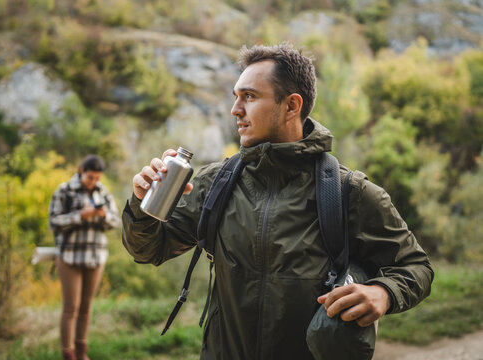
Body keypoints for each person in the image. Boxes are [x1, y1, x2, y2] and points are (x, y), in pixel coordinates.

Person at [121, 43, 434, 359]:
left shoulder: (347, 191)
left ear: (291, 105)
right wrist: (141, 205)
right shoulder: (215, 183)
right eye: (236, 96)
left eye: (250, 96)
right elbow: (148, 248)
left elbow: (415, 267)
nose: (236, 109)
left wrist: (383, 293)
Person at [49, 155, 121, 360]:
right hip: (69, 256)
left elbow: (115, 222)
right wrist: (80, 215)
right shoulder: (64, 191)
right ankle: (68, 353)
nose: (94, 182)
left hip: (95, 256)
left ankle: (82, 352)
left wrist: (102, 216)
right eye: (90, 177)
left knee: (86, 307)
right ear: (82, 171)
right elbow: (54, 222)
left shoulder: (103, 191)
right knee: (71, 307)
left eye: (97, 178)